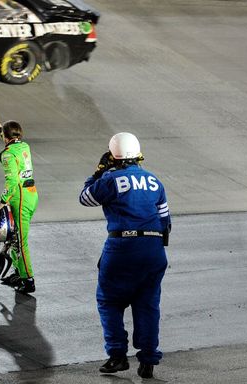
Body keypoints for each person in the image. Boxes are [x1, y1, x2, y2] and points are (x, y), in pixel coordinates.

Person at [78, 132, 170, 379]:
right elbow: (166, 221)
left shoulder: (111, 180)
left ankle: (117, 355)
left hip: (122, 247)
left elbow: (85, 198)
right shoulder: (155, 181)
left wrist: (98, 173)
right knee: (148, 305)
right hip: (153, 250)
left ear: (112, 156)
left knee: (109, 301)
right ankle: (148, 359)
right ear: (138, 155)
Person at [0, 118, 38, 294]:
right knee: (13, 237)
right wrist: (0, 128)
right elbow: (11, 139)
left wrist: (2, 201)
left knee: (19, 242)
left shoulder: (7, 154)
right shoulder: (24, 146)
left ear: (5, 136)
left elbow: (11, 181)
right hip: (31, 194)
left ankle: (28, 280)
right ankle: (19, 273)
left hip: (19, 199)